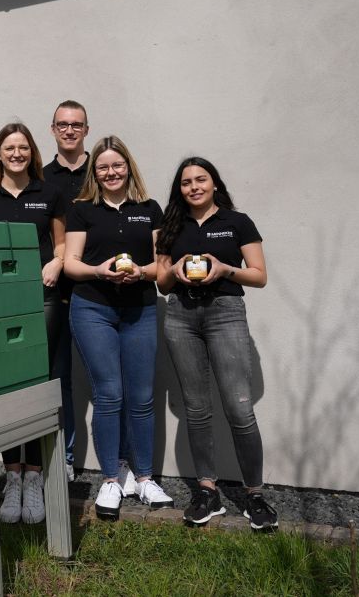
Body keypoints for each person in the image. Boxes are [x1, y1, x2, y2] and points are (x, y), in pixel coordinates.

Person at [155, 157, 276, 531]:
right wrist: (173, 273)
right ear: (180, 189)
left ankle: (254, 494)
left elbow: (259, 276)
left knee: (239, 409)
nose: (194, 187)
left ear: (214, 183)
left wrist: (225, 270)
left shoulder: (237, 222)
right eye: (186, 182)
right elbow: (161, 282)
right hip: (181, 317)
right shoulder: (171, 227)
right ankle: (207, 491)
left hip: (225, 312)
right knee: (197, 408)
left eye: (200, 179)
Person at [63, 136, 174, 520]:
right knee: (109, 394)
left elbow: (163, 267)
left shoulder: (150, 209)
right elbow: (71, 263)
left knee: (142, 396)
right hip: (93, 308)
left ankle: (143, 478)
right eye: (103, 167)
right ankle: (111, 479)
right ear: (95, 173)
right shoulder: (82, 210)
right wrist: (99, 271)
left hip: (139, 309)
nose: (111, 173)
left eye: (117, 165)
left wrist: (140, 272)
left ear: (129, 166)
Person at [0, 123, 65, 525]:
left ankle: (36, 477)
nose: (16, 153)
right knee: (8, 387)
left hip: (43, 298)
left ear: (32, 152)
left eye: (23, 147)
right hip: (0, 304)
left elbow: (61, 243)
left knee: (40, 384)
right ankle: (12, 475)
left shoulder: (50, 193)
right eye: (9, 147)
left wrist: (57, 263)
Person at [39, 100, 89, 483]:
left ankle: (119, 464)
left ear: (86, 129)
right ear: (53, 129)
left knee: (109, 383)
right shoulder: (41, 179)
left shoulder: (104, 170)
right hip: (56, 295)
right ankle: (64, 457)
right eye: (63, 125)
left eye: (77, 124)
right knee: (59, 379)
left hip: (97, 291)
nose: (69, 130)